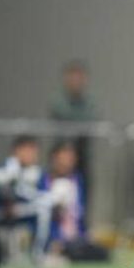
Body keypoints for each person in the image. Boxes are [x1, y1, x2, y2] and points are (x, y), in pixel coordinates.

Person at [49, 60, 97, 199]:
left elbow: (90, 118)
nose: (75, 82)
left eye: (79, 78)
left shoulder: (90, 102)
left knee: (83, 191)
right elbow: (60, 114)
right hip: (61, 150)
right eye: (72, 77)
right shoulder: (58, 100)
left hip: (83, 153)